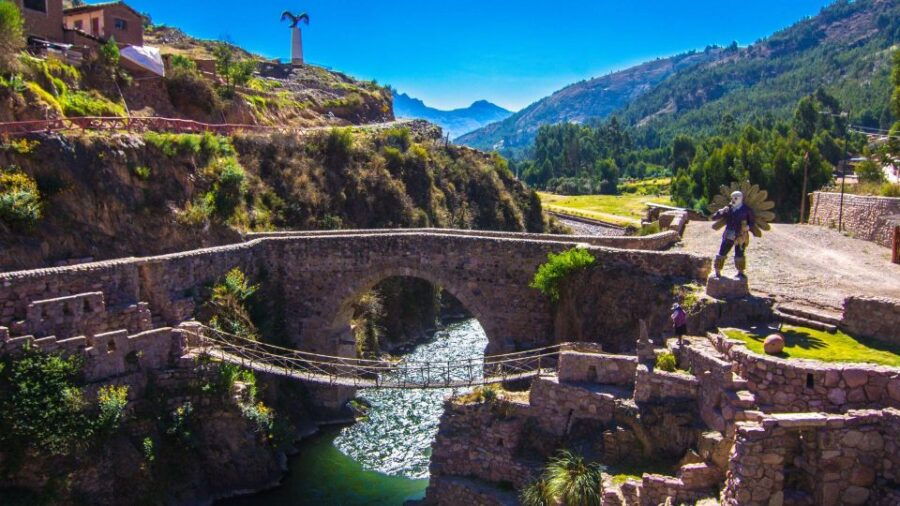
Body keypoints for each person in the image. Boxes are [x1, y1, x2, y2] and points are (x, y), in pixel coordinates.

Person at [711, 190, 755, 279]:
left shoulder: (747, 210)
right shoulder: (728, 209)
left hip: (741, 235)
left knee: (740, 253)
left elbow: (752, 222)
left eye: (736, 198)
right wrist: (721, 211)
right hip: (729, 234)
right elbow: (714, 217)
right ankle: (717, 271)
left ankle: (740, 272)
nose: (733, 200)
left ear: (740, 198)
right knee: (722, 252)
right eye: (732, 198)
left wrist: (748, 227)